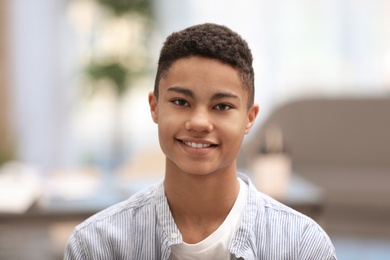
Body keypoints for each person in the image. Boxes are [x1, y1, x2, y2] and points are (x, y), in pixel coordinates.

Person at [64, 23, 337, 259]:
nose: (198, 122)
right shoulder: (97, 245)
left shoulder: (302, 246)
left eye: (222, 107)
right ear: (155, 107)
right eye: (181, 102)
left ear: (249, 119)